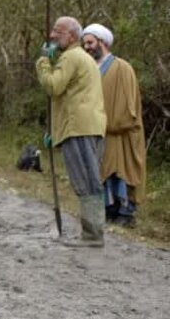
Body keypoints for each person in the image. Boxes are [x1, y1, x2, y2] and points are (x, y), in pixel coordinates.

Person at [36, 16, 107, 247]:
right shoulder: (83, 58)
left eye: (58, 32)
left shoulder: (71, 57)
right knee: (90, 179)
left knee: (85, 181)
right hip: (90, 125)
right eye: (53, 31)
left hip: (78, 128)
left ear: (72, 36)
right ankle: (93, 233)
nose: (52, 36)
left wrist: (43, 62)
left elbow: (54, 86)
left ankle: (92, 236)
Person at [81, 23, 146, 226]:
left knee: (121, 170)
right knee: (100, 171)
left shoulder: (122, 68)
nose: (87, 48)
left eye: (90, 43)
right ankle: (108, 210)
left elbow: (129, 104)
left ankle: (125, 213)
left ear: (103, 42)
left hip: (121, 132)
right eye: (85, 44)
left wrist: (112, 122)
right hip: (97, 132)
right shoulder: (89, 69)